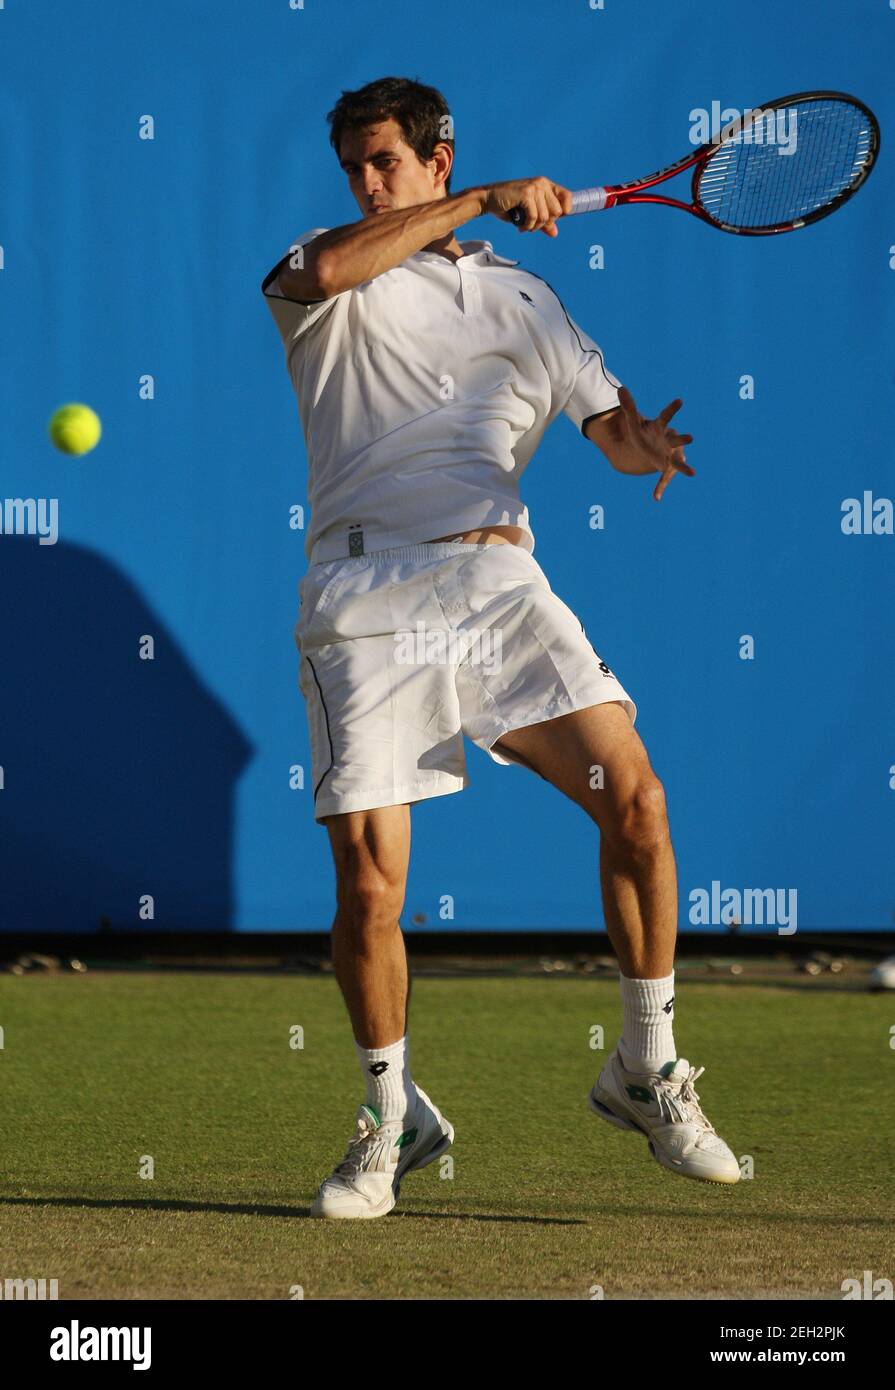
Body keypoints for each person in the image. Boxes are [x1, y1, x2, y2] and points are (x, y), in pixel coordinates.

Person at [261, 76, 739, 1220]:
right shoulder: (321, 272)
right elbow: (331, 267)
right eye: (355, 169)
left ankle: (643, 1067)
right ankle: (390, 1117)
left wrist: (641, 441)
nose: (367, 185)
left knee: (637, 800)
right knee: (372, 887)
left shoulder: (530, 302)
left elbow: (609, 429)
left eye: (386, 163)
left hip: (494, 580)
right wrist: (475, 199)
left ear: (432, 155)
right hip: (365, 590)